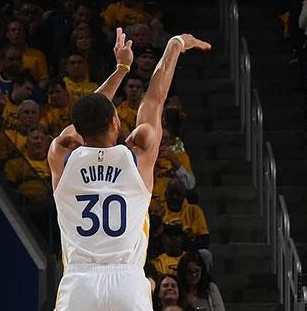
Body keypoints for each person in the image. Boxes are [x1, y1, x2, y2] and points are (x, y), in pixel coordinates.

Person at [47, 30, 210, 310]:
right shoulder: (138, 154)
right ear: (115, 123)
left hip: (79, 282)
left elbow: (84, 116)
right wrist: (175, 46)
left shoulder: (61, 155)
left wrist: (121, 69)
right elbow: (154, 100)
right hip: (126, 281)